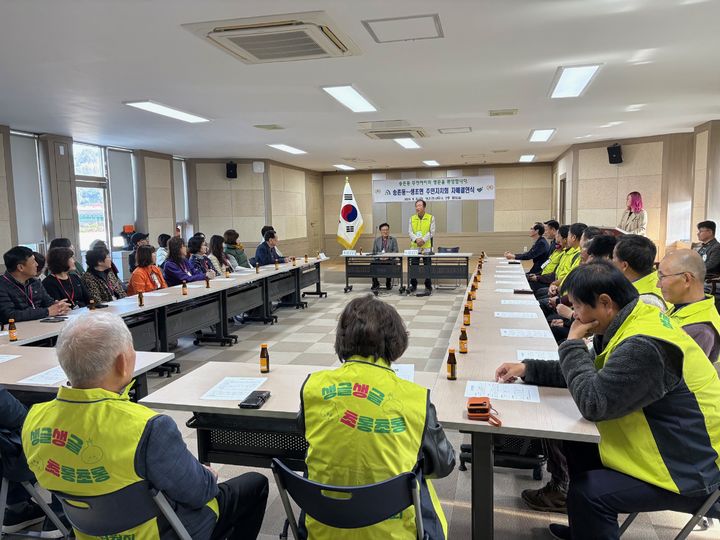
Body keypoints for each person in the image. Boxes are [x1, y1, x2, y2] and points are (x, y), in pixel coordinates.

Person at [495, 261, 720, 539]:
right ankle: (586, 530)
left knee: (591, 493)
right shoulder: (629, 321)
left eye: (577, 306)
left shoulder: (643, 344)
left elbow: (594, 403)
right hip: (666, 444)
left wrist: (573, 341)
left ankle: (588, 520)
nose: (574, 315)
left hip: (689, 467)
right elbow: (588, 371)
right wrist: (528, 368)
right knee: (576, 446)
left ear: (605, 302)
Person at [21, 311, 269, 539]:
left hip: (87, 531)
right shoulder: (146, 426)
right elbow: (200, 493)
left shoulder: (35, 418)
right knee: (253, 484)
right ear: (122, 362)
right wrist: (207, 476)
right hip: (160, 530)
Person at [299, 295, 455, 539]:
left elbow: (307, 433)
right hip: (393, 533)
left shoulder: (313, 387)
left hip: (323, 528)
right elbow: (443, 465)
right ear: (396, 341)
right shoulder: (415, 399)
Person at [657, 249, 720, 362]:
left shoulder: (700, 330)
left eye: (662, 277)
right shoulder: (684, 307)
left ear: (686, 279)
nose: (658, 285)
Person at [0, 246, 70, 323]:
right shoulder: (2, 285)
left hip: (39, 326)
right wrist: (47, 312)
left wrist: (59, 306)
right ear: (20, 267)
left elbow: (48, 302)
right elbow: (10, 315)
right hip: (15, 331)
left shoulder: (35, 282)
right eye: (33, 262)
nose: (37, 264)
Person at [613, 234, 668, 311]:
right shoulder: (659, 280)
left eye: (613, 257)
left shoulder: (645, 301)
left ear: (624, 265)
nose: (611, 262)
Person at [529, 224, 568, 292]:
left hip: (548, 282)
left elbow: (556, 276)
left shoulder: (564, 253)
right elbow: (547, 265)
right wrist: (537, 275)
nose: (545, 232)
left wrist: (538, 277)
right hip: (543, 277)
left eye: (558, 235)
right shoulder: (556, 250)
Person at [408, 199, 435, 294]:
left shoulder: (431, 218)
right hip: (415, 247)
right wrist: (416, 239)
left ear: (424, 207)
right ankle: (413, 285)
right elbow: (410, 232)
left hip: (426, 247)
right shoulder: (412, 218)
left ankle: (428, 286)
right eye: (416, 206)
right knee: (413, 267)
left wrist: (423, 240)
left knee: (427, 267)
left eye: (419, 205)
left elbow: (431, 232)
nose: (417, 207)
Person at [371, 222, 399, 290]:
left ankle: (388, 283)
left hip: (390, 260)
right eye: (383, 230)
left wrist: (388, 257)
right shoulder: (376, 240)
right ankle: (375, 283)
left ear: (389, 230)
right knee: (372, 264)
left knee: (388, 265)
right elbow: (374, 252)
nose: (385, 231)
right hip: (379, 260)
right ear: (380, 231)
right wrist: (379, 257)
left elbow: (396, 251)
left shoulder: (393, 240)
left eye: (387, 230)